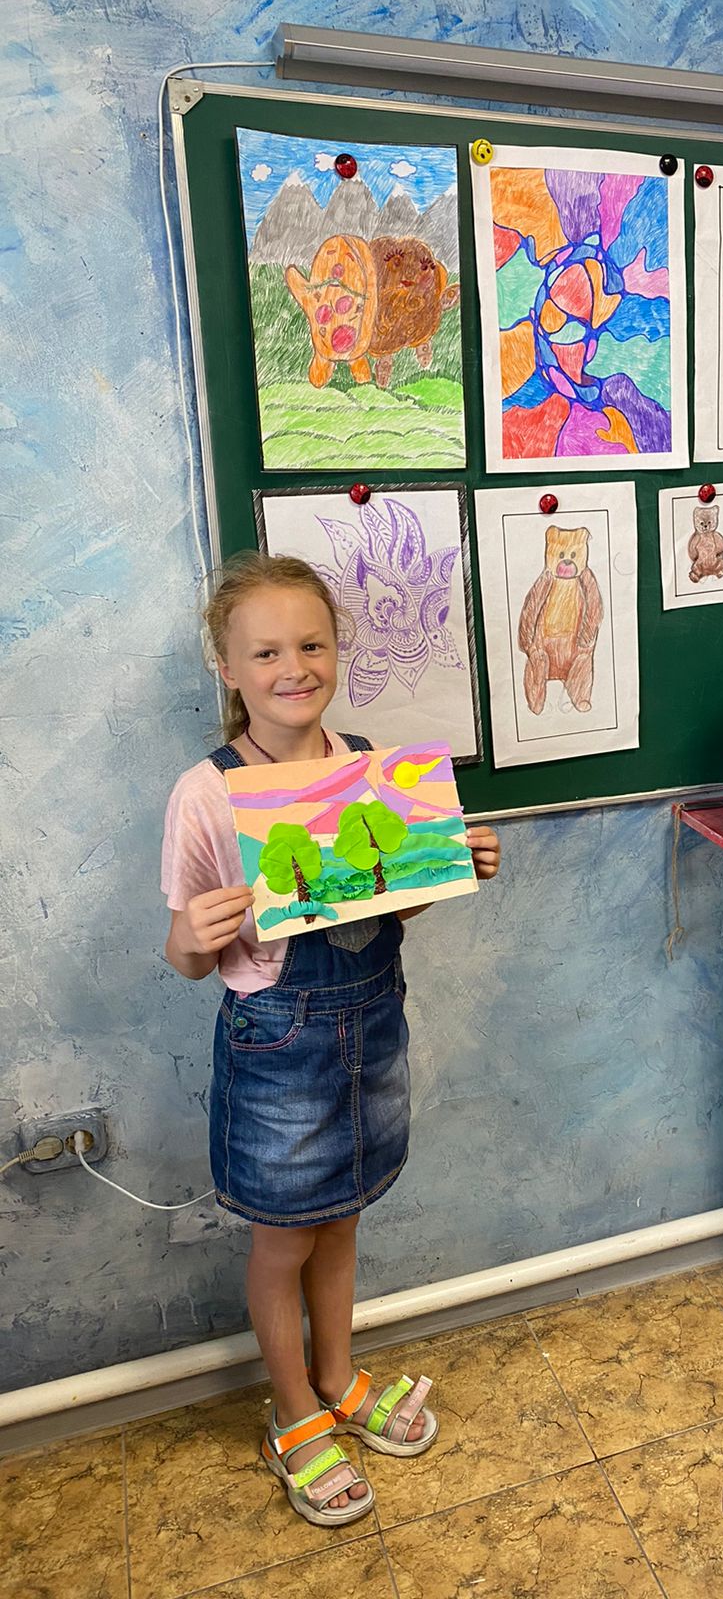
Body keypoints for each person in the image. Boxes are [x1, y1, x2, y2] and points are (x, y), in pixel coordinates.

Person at [161, 553, 501, 1525]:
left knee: (343, 1217)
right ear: (228, 667)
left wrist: (448, 866)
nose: (293, 667)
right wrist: (196, 934)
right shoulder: (207, 792)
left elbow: (389, 909)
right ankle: (293, 1410)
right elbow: (185, 957)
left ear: (338, 650)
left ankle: (339, 1375)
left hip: (373, 1023)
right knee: (284, 1239)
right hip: (280, 1045)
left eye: (311, 644)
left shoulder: (365, 764)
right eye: (266, 651)